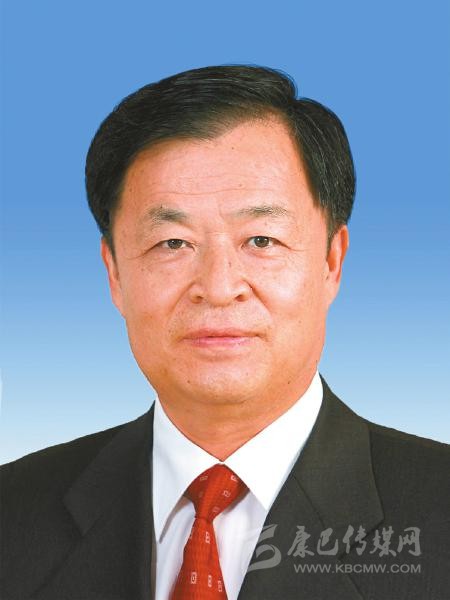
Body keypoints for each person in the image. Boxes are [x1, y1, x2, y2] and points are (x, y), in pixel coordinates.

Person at [1, 65, 449, 600]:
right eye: (172, 243)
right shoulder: (13, 514)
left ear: (332, 261)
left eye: (261, 240)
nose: (217, 288)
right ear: (114, 273)